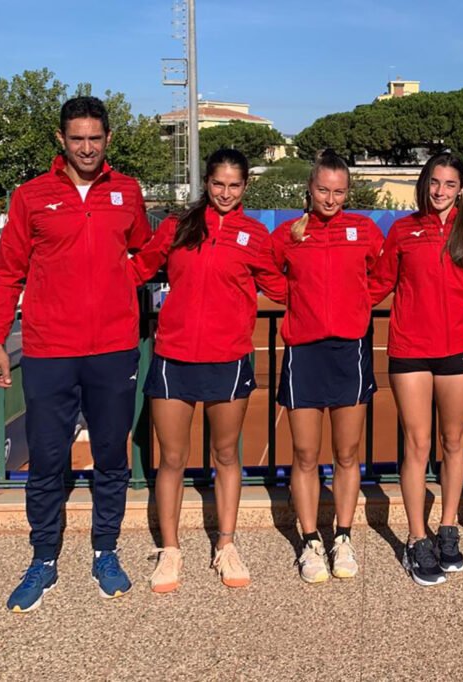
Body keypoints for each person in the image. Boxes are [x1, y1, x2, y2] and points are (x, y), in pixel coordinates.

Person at [0, 96, 152, 611]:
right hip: (48, 349)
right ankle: (43, 559)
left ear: (108, 140)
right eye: (76, 138)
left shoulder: (127, 191)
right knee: (47, 461)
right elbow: (7, 269)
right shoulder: (31, 196)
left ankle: (106, 550)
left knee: (111, 459)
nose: (86, 147)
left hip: (113, 349)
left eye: (95, 138)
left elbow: (144, 248)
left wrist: (127, 275)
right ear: (61, 140)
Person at [129, 148, 284, 593]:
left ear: (246, 187)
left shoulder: (255, 235)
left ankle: (227, 544)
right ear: (206, 183)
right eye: (218, 184)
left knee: (226, 455)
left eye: (235, 186)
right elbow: (137, 268)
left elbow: (281, 284)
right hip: (173, 358)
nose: (226, 193)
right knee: (172, 459)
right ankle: (171, 550)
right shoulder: (177, 228)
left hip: (229, 359)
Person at [369, 152, 463, 586]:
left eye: (450, 184)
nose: (440, 191)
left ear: (462, 189)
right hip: (409, 350)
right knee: (417, 444)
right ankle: (417, 537)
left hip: (455, 348)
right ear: (425, 184)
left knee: (454, 440)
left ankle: (448, 528)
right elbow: (379, 283)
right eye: (435, 183)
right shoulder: (402, 229)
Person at [267, 151, 384, 583]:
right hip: (304, 353)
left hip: (349, 351)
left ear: (347, 192)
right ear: (309, 189)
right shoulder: (289, 234)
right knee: (304, 454)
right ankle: (311, 540)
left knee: (347, 453)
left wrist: (358, 304)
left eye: (338, 191)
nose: (330, 198)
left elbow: (384, 273)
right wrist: (296, 300)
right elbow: (266, 272)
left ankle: (344, 537)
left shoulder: (365, 231)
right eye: (322, 190)